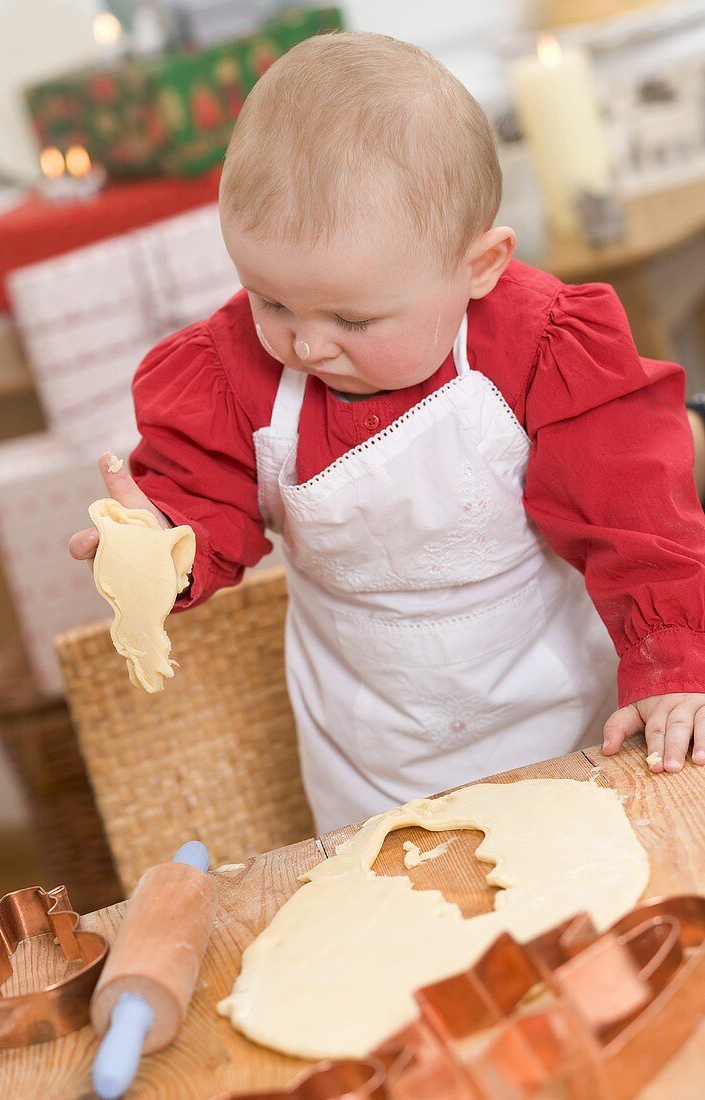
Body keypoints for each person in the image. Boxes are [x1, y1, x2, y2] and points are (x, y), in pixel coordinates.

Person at [70, 32, 705, 832]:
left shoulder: (537, 346)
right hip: (371, 756)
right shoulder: (234, 375)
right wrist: (156, 539)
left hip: (571, 719)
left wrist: (672, 662)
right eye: (270, 301)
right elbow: (206, 498)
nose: (307, 344)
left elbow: (638, 515)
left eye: (353, 317)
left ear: (479, 268)